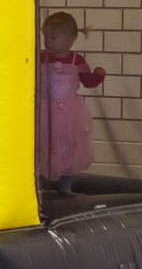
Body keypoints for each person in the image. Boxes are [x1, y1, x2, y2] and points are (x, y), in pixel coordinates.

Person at [37, 11, 106, 184]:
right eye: (45, 36)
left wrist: (98, 75)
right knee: (45, 144)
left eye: (53, 37)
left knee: (68, 145)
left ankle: (65, 183)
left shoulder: (76, 60)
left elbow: (88, 82)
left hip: (68, 114)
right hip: (45, 111)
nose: (47, 41)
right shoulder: (41, 58)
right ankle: (44, 180)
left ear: (70, 39)